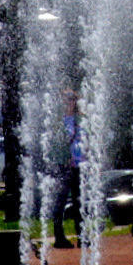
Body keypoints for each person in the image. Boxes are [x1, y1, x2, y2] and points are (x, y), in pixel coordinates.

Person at [52, 90, 83, 248]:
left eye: (72, 99)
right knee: (60, 202)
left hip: (78, 166)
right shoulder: (58, 122)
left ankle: (82, 236)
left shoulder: (80, 120)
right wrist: (64, 158)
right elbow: (54, 144)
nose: (69, 102)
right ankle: (59, 237)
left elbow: (85, 139)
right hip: (63, 166)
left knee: (79, 202)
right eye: (66, 100)